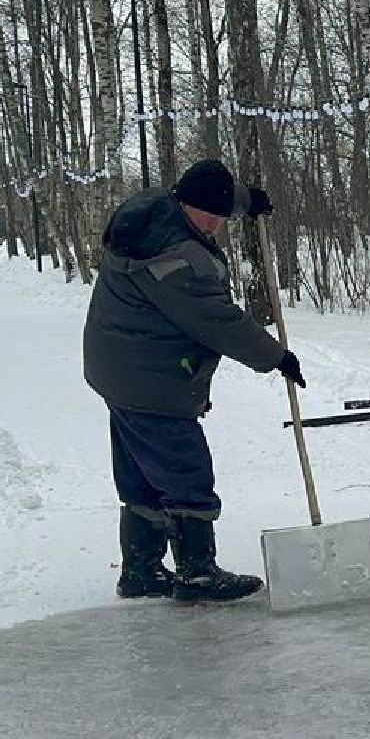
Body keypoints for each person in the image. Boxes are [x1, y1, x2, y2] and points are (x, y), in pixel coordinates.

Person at [82, 159, 306, 604]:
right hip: (151, 379)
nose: (217, 225)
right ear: (186, 205)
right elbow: (219, 321)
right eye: (211, 217)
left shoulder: (153, 210)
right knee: (183, 467)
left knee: (143, 471)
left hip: (120, 367)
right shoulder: (179, 263)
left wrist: (247, 201)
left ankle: (142, 570)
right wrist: (276, 357)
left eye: (224, 216)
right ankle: (197, 572)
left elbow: (209, 192)